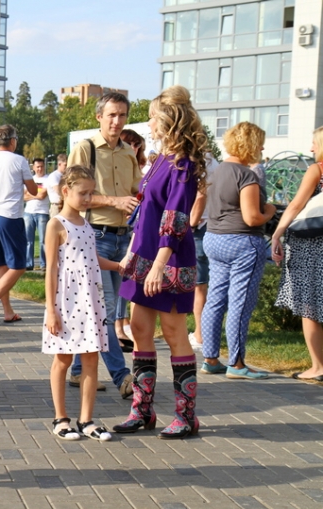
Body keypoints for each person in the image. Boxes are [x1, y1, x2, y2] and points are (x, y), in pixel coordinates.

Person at [115, 85, 207, 440]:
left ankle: (186, 416)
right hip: (145, 257)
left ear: (169, 120)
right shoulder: (159, 161)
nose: (149, 124)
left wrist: (157, 266)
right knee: (139, 329)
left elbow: (176, 220)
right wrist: (131, 252)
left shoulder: (183, 165)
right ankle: (142, 411)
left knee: (173, 332)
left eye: (153, 117)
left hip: (169, 260)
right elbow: (145, 212)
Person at [66, 92, 140, 398]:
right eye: (111, 115)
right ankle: (122, 376)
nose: (117, 121)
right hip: (94, 236)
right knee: (105, 310)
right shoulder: (85, 148)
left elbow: (136, 190)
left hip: (123, 237)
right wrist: (114, 201)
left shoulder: (128, 152)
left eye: (122, 115)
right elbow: (73, 194)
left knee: (99, 308)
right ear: (99, 117)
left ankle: (78, 369)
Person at [44, 166, 119, 442]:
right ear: (66, 191)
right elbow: (52, 269)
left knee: (90, 357)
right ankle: (60, 418)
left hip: (90, 302)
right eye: (83, 193)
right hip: (66, 303)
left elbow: (92, 258)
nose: (88, 198)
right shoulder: (56, 225)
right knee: (63, 359)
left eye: (91, 193)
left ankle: (86, 419)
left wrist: (118, 266)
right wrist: (51, 310)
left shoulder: (87, 225)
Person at [200, 122, 276, 380]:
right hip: (243, 242)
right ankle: (237, 363)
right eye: (260, 143)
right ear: (250, 144)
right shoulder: (246, 175)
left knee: (215, 300)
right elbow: (252, 217)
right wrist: (270, 211)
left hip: (214, 239)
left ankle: (210, 358)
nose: (262, 149)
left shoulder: (215, 171)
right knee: (240, 304)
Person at [272, 126, 323, 381]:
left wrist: (277, 233)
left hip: (311, 243)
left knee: (309, 303)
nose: (311, 148)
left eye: (315, 143)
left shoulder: (317, 169)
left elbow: (295, 204)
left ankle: (318, 367)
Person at [0, 125, 38, 325]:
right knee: (19, 265)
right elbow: (33, 190)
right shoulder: (18, 160)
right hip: (10, 216)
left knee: (2, 265)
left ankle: (7, 311)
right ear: (13, 141)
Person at [114, 129, 148, 352]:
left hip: (135, 228)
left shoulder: (141, 169)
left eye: (138, 146)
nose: (135, 149)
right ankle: (117, 326)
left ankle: (121, 324)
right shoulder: (119, 167)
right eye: (132, 144)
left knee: (128, 278)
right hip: (118, 226)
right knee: (120, 277)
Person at [187, 154, 220, 351]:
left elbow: (201, 194)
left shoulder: (199, 159)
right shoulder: (212, 160)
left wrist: (191, 222)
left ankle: (200, 334)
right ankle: (204, 333)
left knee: (199, 285)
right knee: (206, 284)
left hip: (199, 226)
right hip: (211, 222)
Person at [24, 157, 50, 271]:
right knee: (28, 240)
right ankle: (28, 263)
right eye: (37, 167)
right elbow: (23, 196)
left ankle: (43, 264)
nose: (40, 169)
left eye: (42, 166)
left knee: (43, 240)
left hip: (42, 212)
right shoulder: (30, 180)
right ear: (33, 168)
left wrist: (31, 195)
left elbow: (42, 195)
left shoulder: (48, 179)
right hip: (28, 212)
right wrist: (36, 195)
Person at [44, 154, 66, 219]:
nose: (67, 167)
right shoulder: (54, 176)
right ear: (59, 164)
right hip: (56, 206)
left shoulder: (65, 175)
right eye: (65, 165)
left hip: (64, 205)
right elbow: (59, 191)